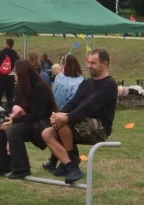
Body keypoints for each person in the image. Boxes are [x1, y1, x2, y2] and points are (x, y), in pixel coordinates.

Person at [42, 49, 117, 184]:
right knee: (47, 133)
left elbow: (90, 107)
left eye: (93, 63)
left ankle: (72, 164)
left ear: (105, 64)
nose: (89, 66)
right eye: (88, 63)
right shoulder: (86, 83)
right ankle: (69, 165)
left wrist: (66, 117)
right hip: (81, 122)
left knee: (64, 123)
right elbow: (73, 103)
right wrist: (58, 115)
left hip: (99, 128)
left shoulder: (109, 84)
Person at [0, 60, 57, 179]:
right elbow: (17, 108)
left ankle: (22, 168)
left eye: (15, 72)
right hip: (25, 121)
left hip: (41, 124)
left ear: (22, 73)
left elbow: (37, 115)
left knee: (13, 130)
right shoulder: (20, 88)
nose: (13, 75)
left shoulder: (40, 88)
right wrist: (10, 118)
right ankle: (2, 165)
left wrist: (13, 122)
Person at [0, 38, 20, 110]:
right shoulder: (14, 53)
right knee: (10, 96)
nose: (3, 44)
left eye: (4, 43)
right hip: (10, 76)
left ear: (7, 44)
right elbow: (19, 62)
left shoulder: (1, 52)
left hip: (1, 76)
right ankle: (9, 110)